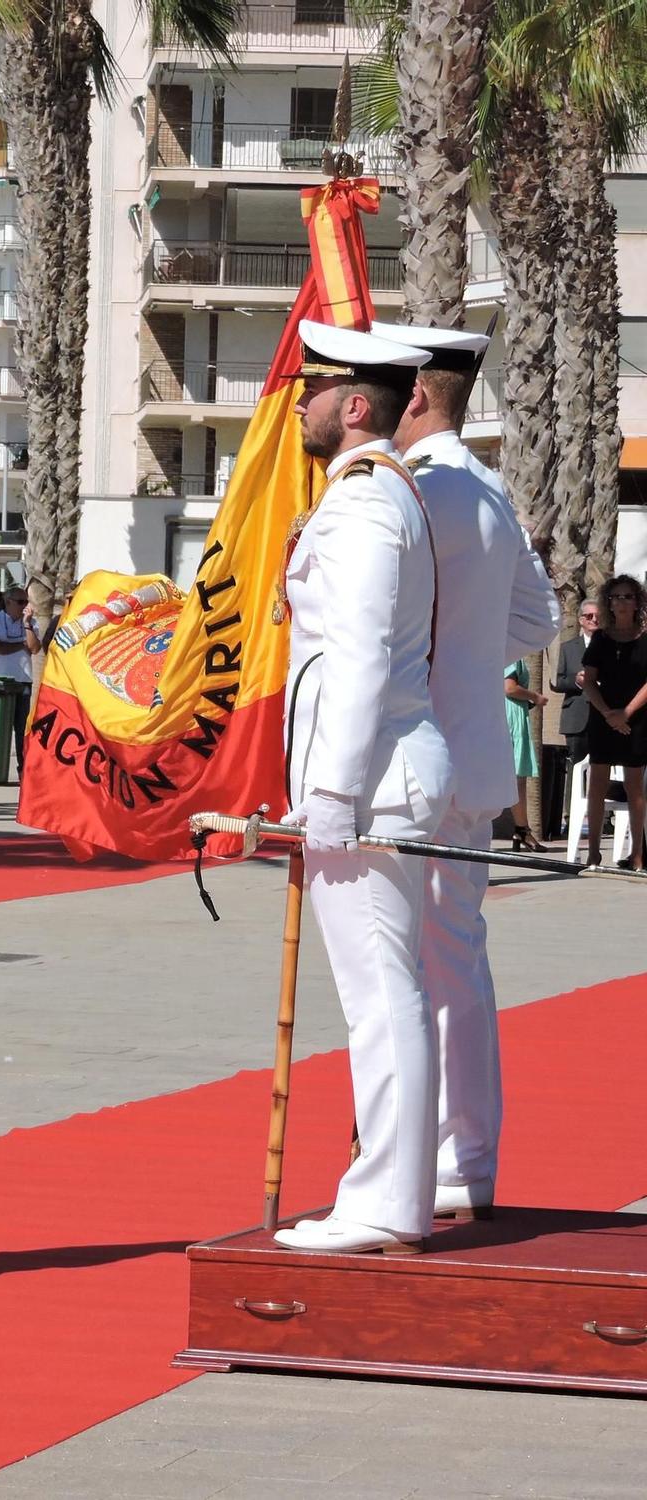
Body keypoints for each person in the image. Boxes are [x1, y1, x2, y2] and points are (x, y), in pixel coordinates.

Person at [273, 321, 449, 1256]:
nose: (296, 406)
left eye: (311, 391)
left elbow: (361, 661)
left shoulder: (365, 506)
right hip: (376, 778)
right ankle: (388, 1193)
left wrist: (329, 797)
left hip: (371, 784)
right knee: (386, 995)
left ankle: (385, 1201)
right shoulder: (365, 496)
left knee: (383, 998)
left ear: (352, 407)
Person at [380, 319, 560, 1229]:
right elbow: (540, 616)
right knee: (458, 963)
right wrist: (471, 652)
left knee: (398, 970)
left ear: (413, 394)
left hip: (414, 764)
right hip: (476, 756)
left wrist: (442, 654)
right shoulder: (488, 488)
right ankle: (467, 1159)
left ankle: (408, 1164)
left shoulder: (413, 493)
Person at [579, 573, 647, 870]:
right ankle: (593, 852)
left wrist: (626, 713)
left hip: (638, 718)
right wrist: (608, 713)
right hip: (603, 716)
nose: (621, 602)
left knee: (635, 786)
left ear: (637, 602)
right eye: (616, 597)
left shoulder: (645, 638)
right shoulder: (601, 639)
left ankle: (638, 854)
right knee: (597, 785)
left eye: (627, 596)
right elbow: (589, 681)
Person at [0, 584, 40, 779]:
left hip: (23, 681)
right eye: (20, 602)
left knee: (22, 728)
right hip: (1, 680)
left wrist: (27, 624)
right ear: (8, 602)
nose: (24, 606)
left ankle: (24, 770)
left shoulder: (30, 622)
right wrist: (19, 645)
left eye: (26, 602)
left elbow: (34, 648)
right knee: (0, 728)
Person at [554, 597, 600, 767]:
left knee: (602, 770)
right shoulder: (568, 648)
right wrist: (577, 681)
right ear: (581, 620)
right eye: (589, 616)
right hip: (576, 718)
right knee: (574, 770)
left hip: (604, 718)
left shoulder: (612, 647)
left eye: (598, 616)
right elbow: (557, 682)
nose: (594, 619)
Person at [504, 662, 546, 849]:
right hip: (511, 716)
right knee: (516, 778)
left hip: (512, 712)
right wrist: (535, 696)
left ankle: (521, 829)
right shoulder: (510, 651)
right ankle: (522, 829)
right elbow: (509, 688)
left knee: (516, 778)